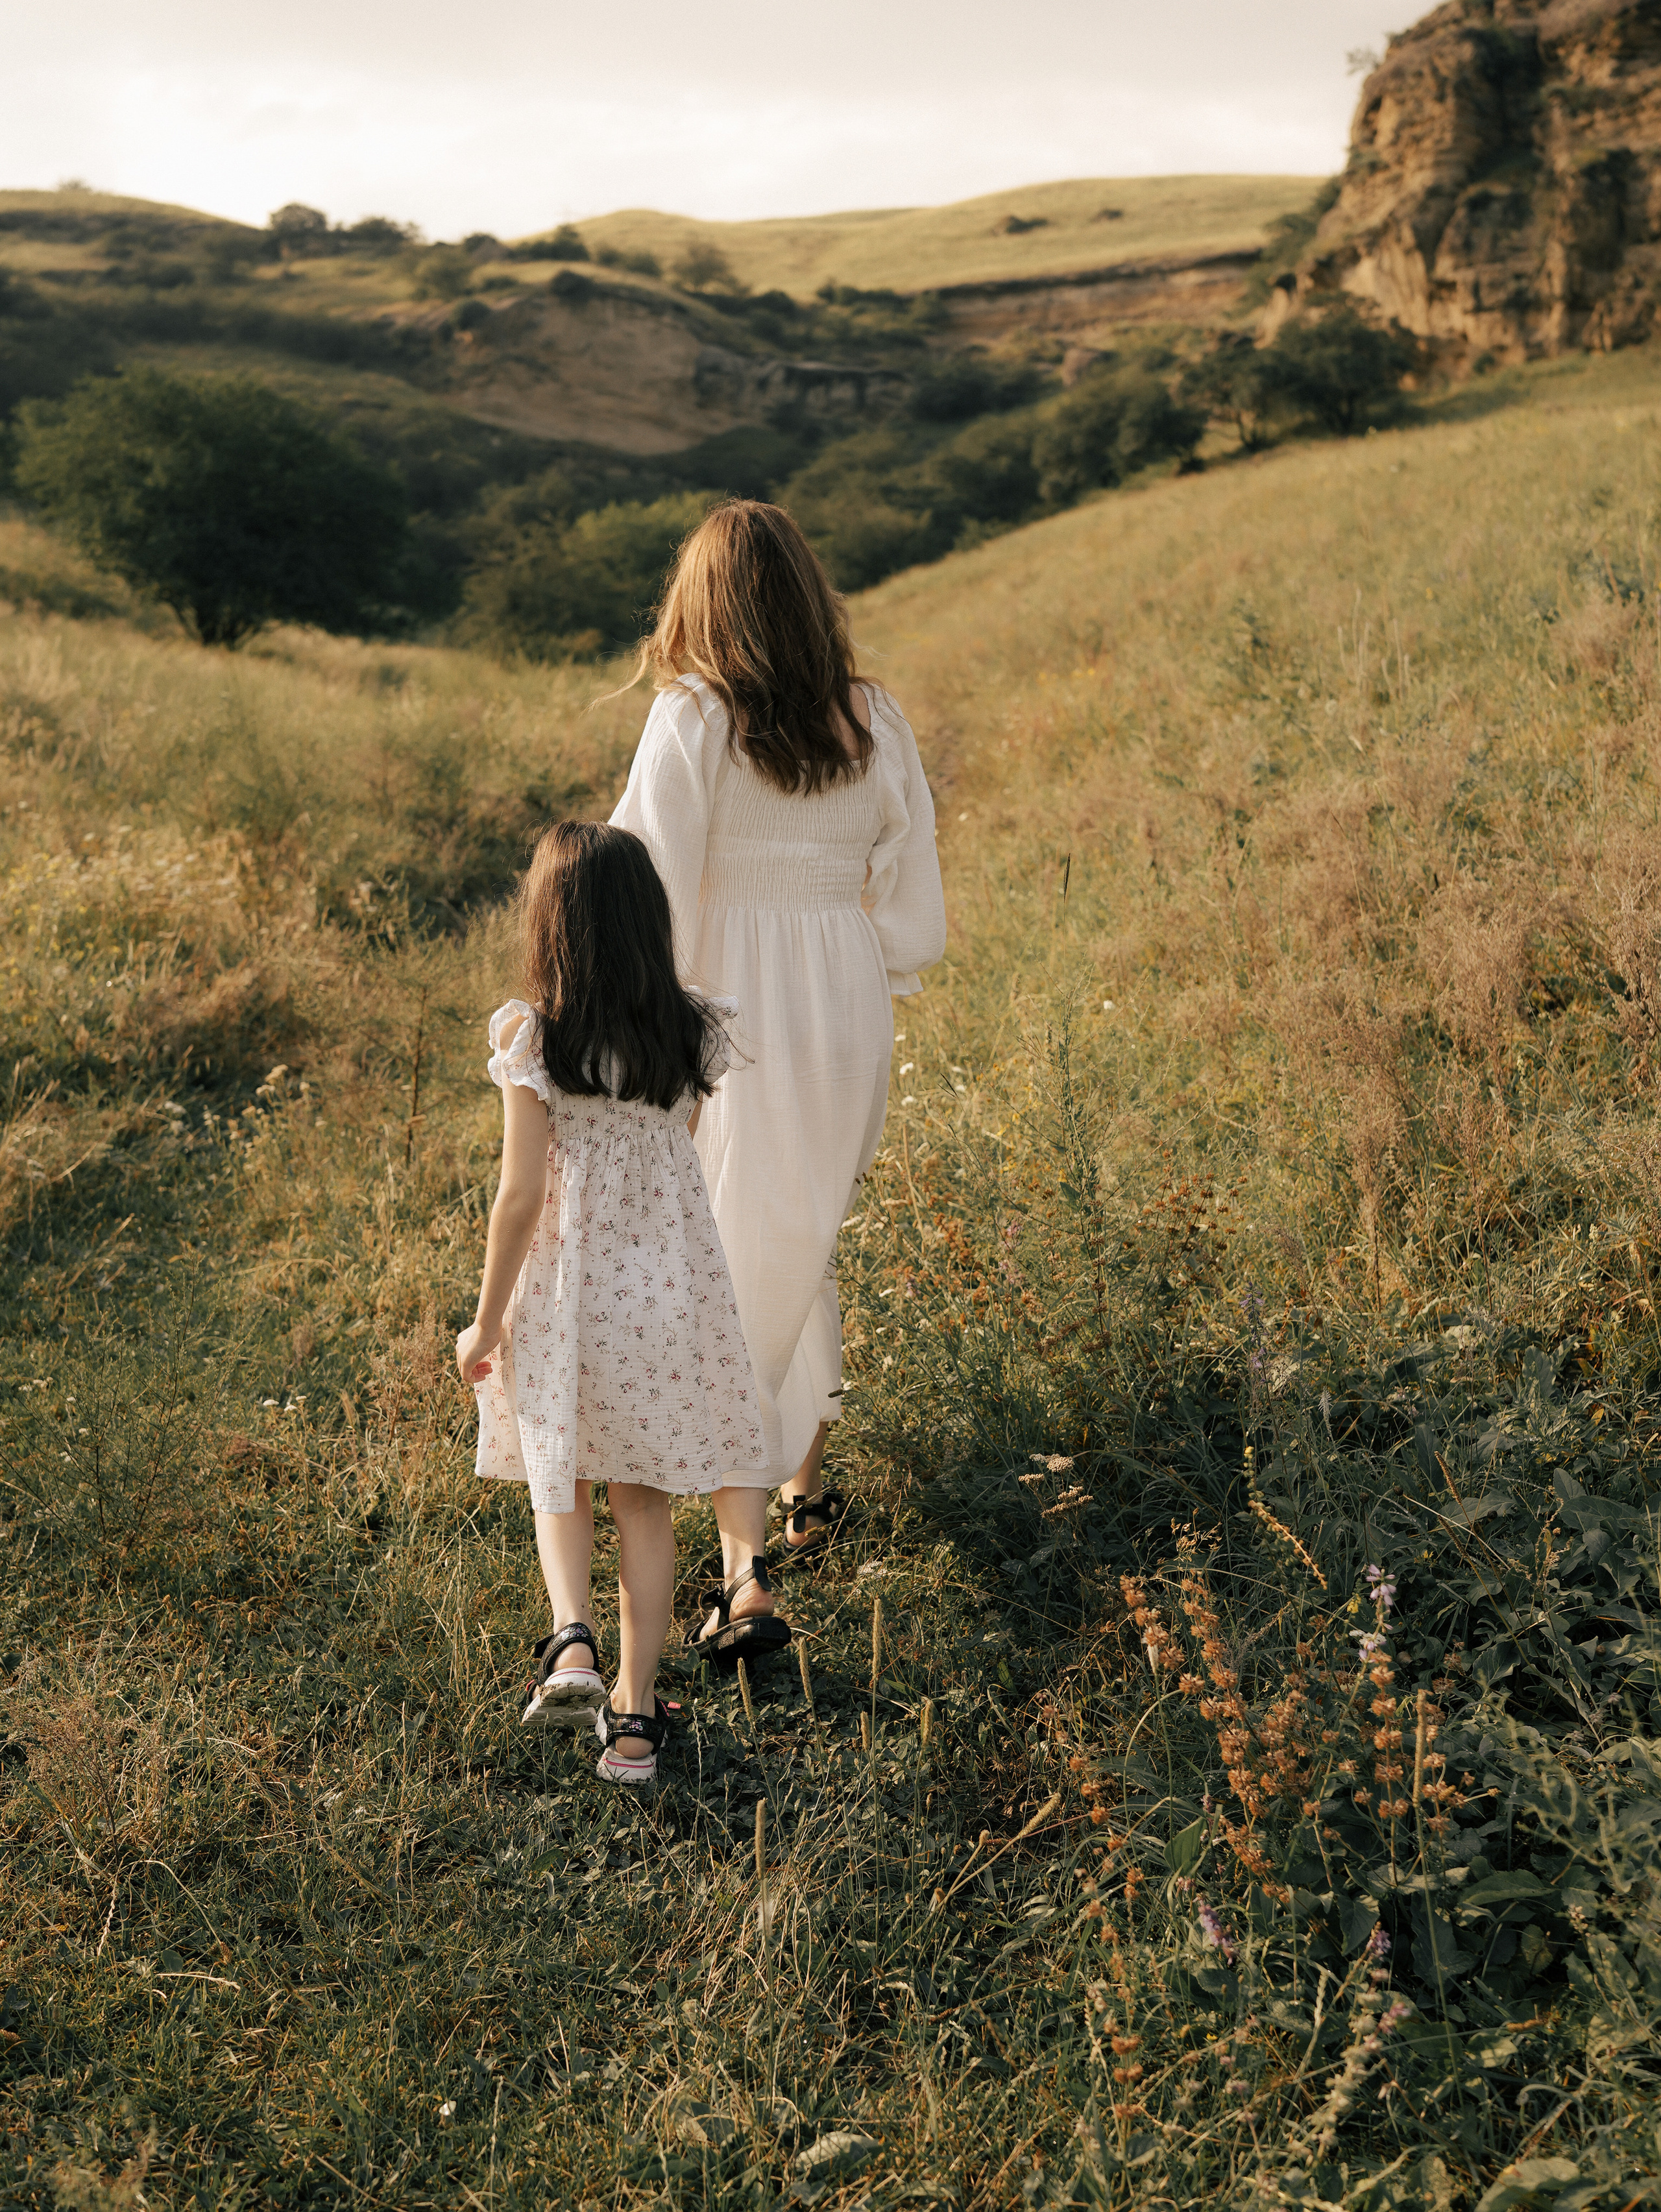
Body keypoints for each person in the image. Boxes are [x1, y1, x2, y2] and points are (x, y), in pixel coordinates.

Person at [610, 499, 946, 1662]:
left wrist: (644, 1012)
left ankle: (744, 1578)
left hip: (728, 1008)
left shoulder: (695, 715)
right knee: (796, 1235)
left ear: (703, 602)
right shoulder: (872, 718)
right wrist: (857, 965)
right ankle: (801, 1496)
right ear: (810, 595)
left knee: (732, 1264)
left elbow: (641, 874)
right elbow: (908, 902)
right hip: (843, 1001)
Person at [455, 821, 769, 1785]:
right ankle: (634, 1721)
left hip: (566, 1292)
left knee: (565, 1469)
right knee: (645, 1500)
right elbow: (677, 1156)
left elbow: (519, 1198)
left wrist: (486, 1315)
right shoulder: (694, 1028)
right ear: (648, 923)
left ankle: (571, 1642)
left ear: (553, 925)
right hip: (666, 1295)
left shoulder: (535, 1038)